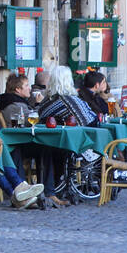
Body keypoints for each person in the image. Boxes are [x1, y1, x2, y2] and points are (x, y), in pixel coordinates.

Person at [30, 65, 97, 207]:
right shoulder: (72, 100)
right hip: (70, 144)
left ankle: (52, 188)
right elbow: (90, 119)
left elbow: (40, 117)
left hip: (48, 143)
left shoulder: (47, 101)